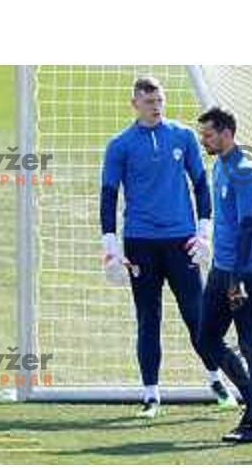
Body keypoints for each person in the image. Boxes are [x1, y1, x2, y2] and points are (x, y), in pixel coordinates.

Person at [100, 77, 235, 418]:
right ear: (135, 104)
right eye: (149, 102)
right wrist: (112, 247)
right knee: (148, 319)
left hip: (181, 242)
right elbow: (108, 196)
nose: (156, 106)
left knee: (198, 317)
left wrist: (204, 232)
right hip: (141, 243)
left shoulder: (184, 136)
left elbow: (201, 185)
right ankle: (150, 394)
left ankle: (216, 380)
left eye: (159, 100)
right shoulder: (120, 145)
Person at [198, 108, 252, 443]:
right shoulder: (220, 165)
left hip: (245, 273)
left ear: (227, 133)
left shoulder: (244, 171)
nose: (204, 140)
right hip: (221, 269)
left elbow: (248, 225)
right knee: (205, 338)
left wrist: (237, 279)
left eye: (209, 134)